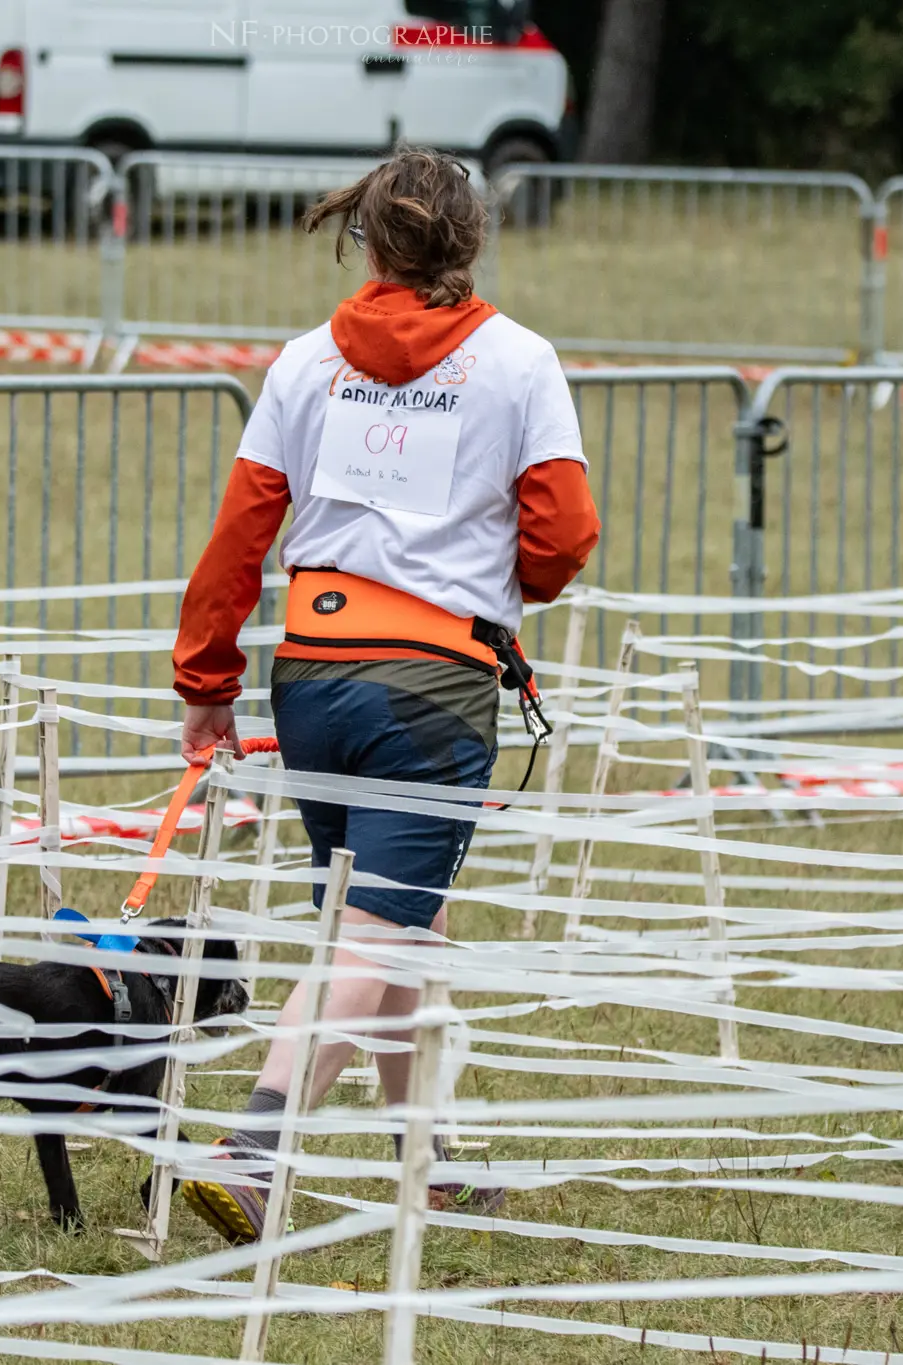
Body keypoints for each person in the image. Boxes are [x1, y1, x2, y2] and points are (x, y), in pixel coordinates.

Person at [168, 147, 600, 1244]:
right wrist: (520, 581)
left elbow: (238, 534)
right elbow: (562, 534)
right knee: (369, 934)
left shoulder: (306, 360)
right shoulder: (519, 362)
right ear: (471, 241)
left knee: (398, 919)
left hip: (310, 677)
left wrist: (205, 683)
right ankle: (254, 1150)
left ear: (367, 239)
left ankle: (431, 1156)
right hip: (431, 686)